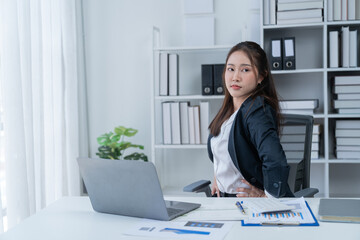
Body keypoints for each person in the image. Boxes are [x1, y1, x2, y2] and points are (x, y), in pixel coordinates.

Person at [208, 41, 294, 198]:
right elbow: (223, 152)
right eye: (230, 69)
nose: (235, 77)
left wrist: (266, 196)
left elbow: (275, 160)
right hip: (223, 199)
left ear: (261, 76)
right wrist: (218, 178)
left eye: (245, 70)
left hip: (245, 204)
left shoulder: (258, 111)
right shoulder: (227, 111)